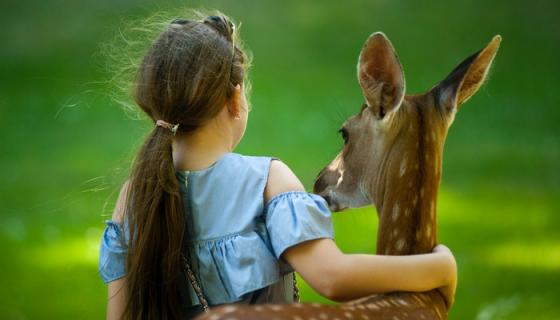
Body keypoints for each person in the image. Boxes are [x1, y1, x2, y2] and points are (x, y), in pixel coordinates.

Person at [98, 12, 457, 320]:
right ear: (235, 99)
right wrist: (440, 267)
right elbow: (333, 277)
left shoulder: (136, 193)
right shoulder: (266, 180)